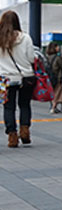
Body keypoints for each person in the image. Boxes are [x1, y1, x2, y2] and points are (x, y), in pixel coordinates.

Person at [0, 10, 36, 148]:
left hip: (5, 79)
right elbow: (31, 58)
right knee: (24, 105)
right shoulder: (26, 38)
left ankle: (12, 137)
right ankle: (25, 131)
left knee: (9, 108)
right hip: (26, 77)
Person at [47, 42, 62, 114]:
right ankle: (54, 108)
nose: (58, 48)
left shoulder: (47, 57)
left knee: (60, 93)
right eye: (57, 47)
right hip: (58, 78)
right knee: (59, 93)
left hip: (50, 78)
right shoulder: (58, 58)